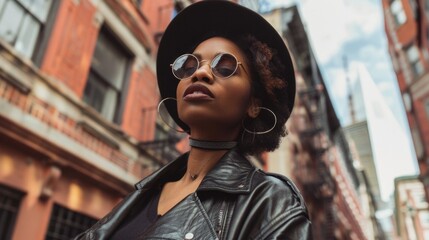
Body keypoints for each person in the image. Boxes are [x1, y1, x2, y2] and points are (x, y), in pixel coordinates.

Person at [75, 1, 311, 239]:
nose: (200, 72)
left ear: (253, 105)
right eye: (188, 66)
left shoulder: (272, 202)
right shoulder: (142, 195)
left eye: (225, 67)